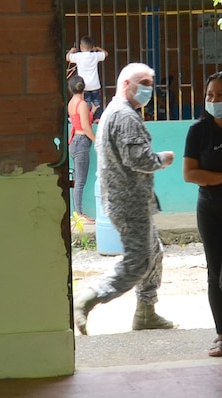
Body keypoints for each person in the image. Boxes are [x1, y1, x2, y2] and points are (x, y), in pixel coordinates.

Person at [73, 63, 178, 334]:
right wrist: (162, 159)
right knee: (138, 260)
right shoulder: (124, 116)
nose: (148, 88)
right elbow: (137, 158)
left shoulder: (115, 112)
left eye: (150, 83)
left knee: (153, 253)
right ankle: (89, 296)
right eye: (142, 82)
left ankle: (146, 312)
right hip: (129, 200)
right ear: (125, 84)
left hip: (127, 197)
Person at [184, 72, 222, 357]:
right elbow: (190, 174)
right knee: (214, 273)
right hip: (209, 206)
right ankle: (221, 335)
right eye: (210, 95)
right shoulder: (198, 131)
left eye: (221, 94)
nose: (214, 100)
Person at [66, 77, 96, 219]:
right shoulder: (82, 104)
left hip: (74, 142)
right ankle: (79, 214)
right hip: (81, 141)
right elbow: (85, 127)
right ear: (84, 88)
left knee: (78, 180)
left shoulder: (72, 103)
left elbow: (79, 122)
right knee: (80, 181)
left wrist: (92, 113)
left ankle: (78, 213)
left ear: (71, 89)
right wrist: (97, 141)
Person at [65, 37, 109, 113]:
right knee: (97, 106)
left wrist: (71, 51)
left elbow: (67, 58)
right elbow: (106, 54)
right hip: (95, 85)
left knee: (86, 106)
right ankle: (97, 121)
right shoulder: (95, 55)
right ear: (92, 47)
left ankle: (88, 119)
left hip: (84, 86)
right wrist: (98, 48)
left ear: (81, 47)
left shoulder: (78, 56)